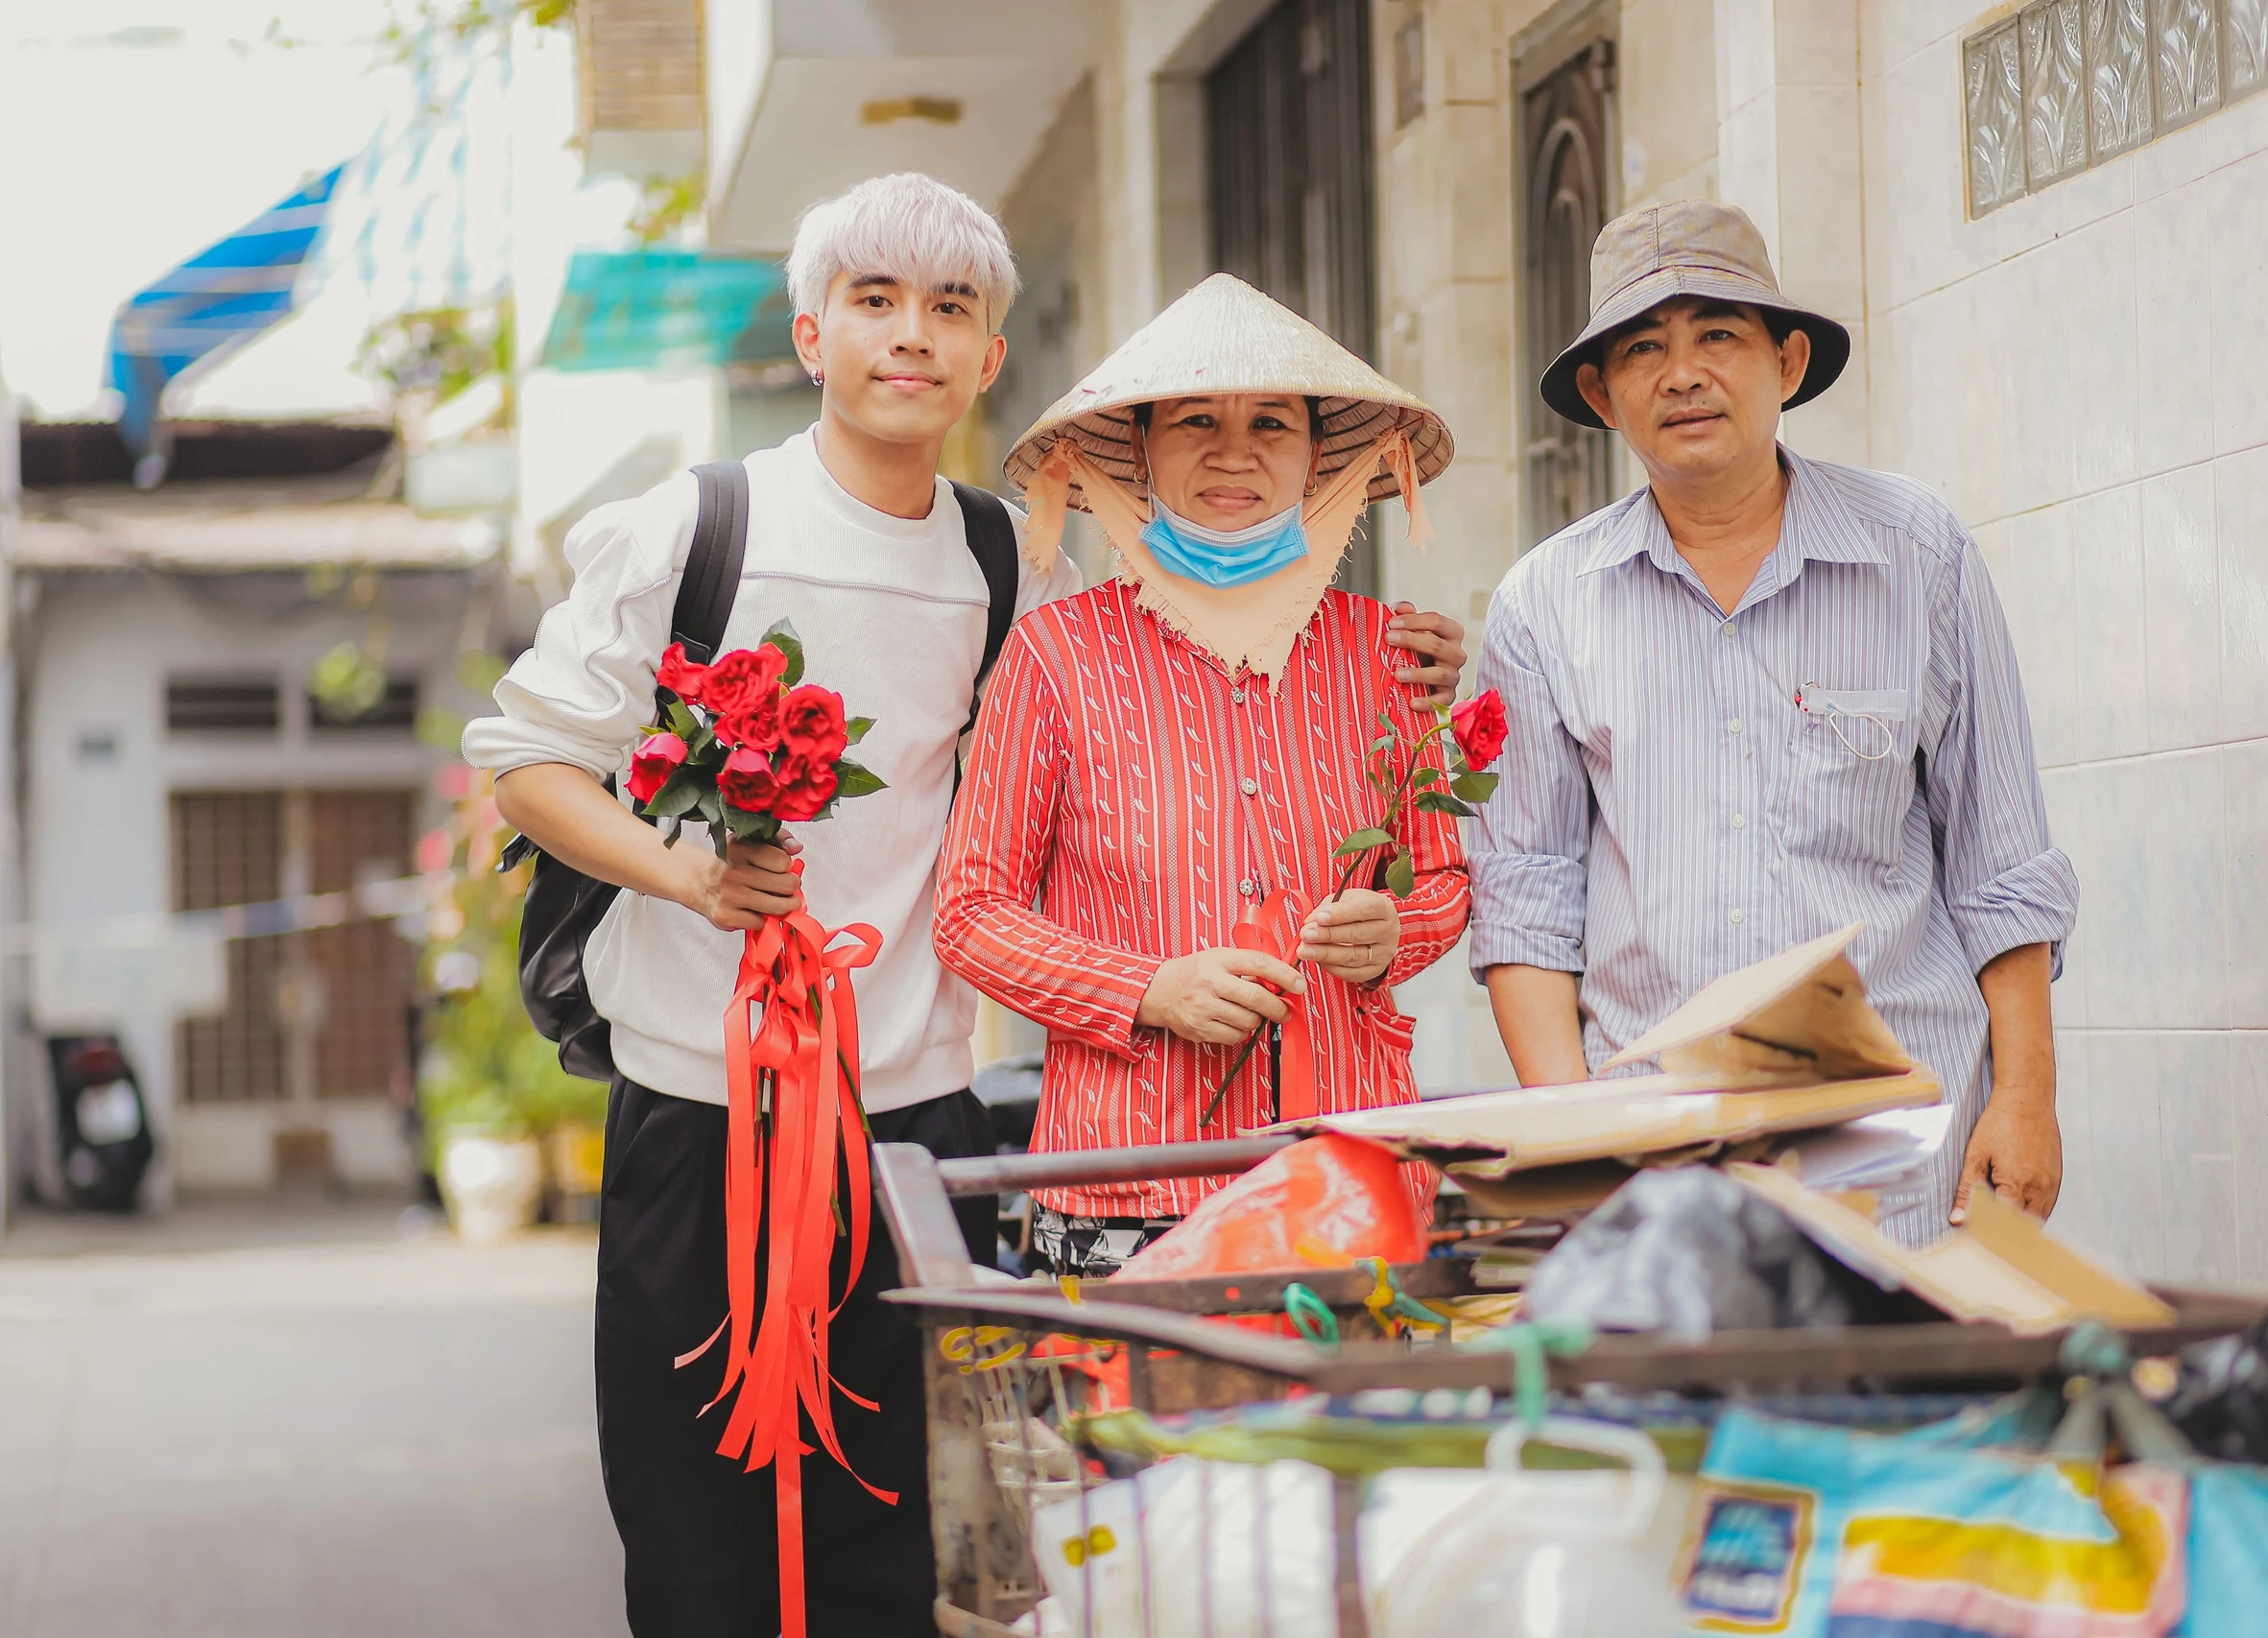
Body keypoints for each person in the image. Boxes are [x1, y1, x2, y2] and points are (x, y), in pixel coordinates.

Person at [463, 175, 1466, 1635]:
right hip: (703, 1102)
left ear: (992, 355)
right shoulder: (696, 523)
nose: (911, 336)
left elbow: (1112, 761)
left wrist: (1404, 671)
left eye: (949, 310)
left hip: (912, 1116)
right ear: (812, 332)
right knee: (693, 1536)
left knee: (906, 1534)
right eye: (874, 302)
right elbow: (528, 759)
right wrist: (688, 871)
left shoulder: (1005, 559)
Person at [1466, 200, 2078, 1246]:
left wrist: (2024, 1100)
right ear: (1600, 394)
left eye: (1718, 335)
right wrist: (1573, 1141)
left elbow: (2001, 859)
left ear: (1787, 362)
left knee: (1905, 1409)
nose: (1682, 373)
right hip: (1659, 1163)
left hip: (1905, 1153)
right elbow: (1525, 897)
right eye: (1643, 349)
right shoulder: (1544, 603)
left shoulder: (1918, 552)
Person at [935, 273, 1470, 1277]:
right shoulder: (1055, 656)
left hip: (1349, 1169)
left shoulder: (1389, 654)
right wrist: (1148, 989)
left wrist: (1397, 932)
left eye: (1272, 420)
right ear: (1138, 452)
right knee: (1136, 1438)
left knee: (1347, 1438)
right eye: (1194, 421)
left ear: (1318, 458)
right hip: (1125, 1180)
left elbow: (1442, 882)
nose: (1235, 451)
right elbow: (969, 912)